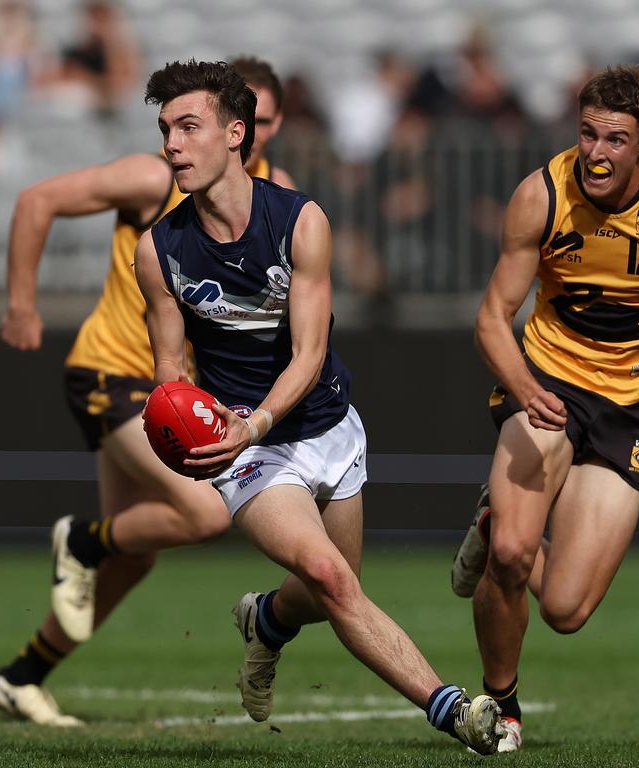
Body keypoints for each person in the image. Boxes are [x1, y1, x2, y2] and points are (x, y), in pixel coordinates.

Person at [134, 59, 504, 755]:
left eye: (188, 127)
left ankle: (268, 622)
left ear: (235, 133)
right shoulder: (159, 252)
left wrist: (259, 419)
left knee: (324, 590)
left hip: (325, 425)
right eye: (165, 130)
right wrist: (186, 428)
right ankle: (454, 710)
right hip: (249, 451)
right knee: (333, 579)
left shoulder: (300, 221)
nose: (172, 145)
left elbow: (307, 357)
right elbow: (168, 372)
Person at [0, 57, 295, 727]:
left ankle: (23, 675)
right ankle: (82, 541)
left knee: (138, 555)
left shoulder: (278, 201)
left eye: (266, 122)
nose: (255, 133)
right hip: (112, 373)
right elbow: (36, 200)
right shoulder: (156, 179)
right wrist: (21, 304)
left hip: (175, 395)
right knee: (205, 514)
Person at [450, 64, 639, 752]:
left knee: (566, 609)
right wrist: (525, 389)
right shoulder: (541, 195)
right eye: (587, 134)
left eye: (615, 139)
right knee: (516, 555)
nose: (595, 152)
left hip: (638, 404)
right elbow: (492, 318)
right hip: (550, 384)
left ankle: (492, 520)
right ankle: (502, 704)